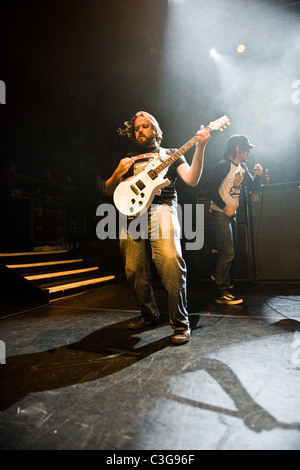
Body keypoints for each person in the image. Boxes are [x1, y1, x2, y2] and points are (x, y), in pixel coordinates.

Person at [105, 111, 210, 344]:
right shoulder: (129, 158)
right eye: (136, 129)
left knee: (171, 263)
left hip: (161, 208)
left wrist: (200, 147)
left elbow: (192, 179)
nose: (140, 131)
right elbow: (109, 190)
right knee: (133, 270)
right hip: (131, 214)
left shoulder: (171, 154)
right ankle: (149, 315)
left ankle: (180, 324)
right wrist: (117, 173)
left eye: (144, 126)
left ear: (155, 129)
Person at [207, 134, 263, 305]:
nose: (249, 152)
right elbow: (210, 189)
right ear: (237, 148)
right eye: (247, 149)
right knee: (228, 252)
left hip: (230, 215)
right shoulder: (224, 166)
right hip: (219, 213)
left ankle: (220, 278)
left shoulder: (242, 166)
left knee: (232, 250)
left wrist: (258, 175)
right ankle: (221, 292)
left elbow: (252, 187)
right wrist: (225, 207)